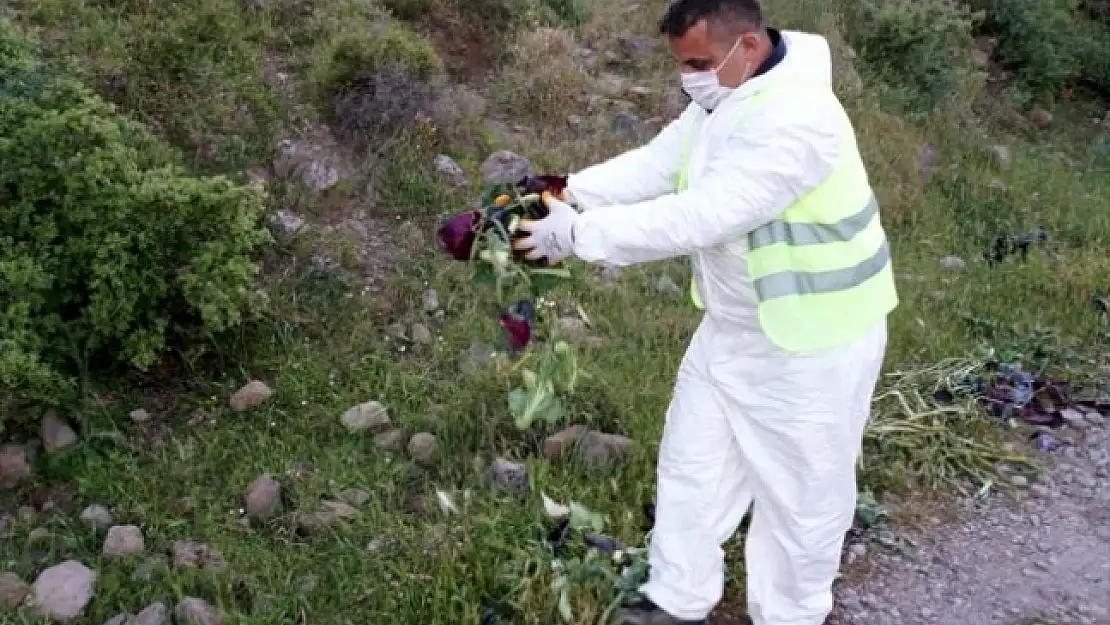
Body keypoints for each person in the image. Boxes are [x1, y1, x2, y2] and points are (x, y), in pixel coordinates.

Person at [511, 0, 899, 624]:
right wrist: (567, 190)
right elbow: (658, 165)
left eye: (696, 63)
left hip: (814, 341)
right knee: (691, 465)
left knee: (801, 497)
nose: (686, 78)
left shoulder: (801, 120)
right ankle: (678, 599)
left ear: (745, 46)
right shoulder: (724, 100)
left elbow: (705, 213)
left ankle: (791, 615)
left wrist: (576, 236)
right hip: (735, 327)